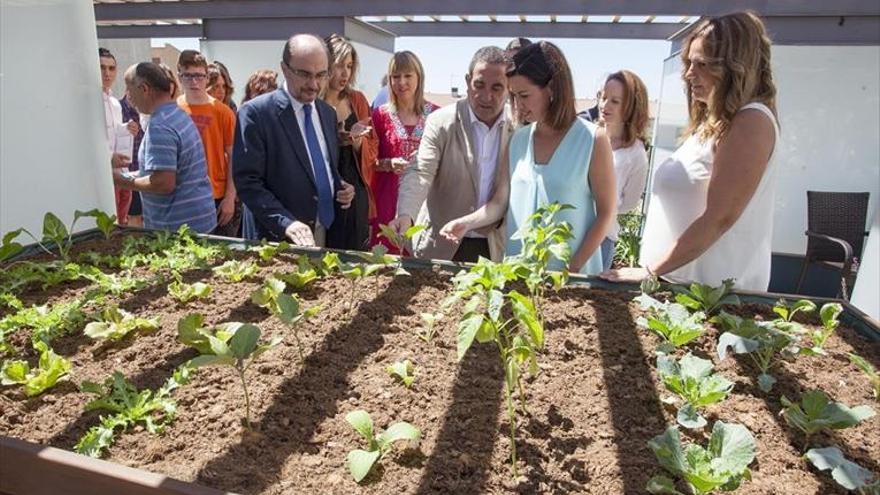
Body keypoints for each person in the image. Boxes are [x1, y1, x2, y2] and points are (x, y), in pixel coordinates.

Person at [601, 11, 780, 291]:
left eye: (702, 64)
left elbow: (720, 217)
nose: (688, 74)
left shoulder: (752, 121)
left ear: (734, 66)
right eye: (689, 63)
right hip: (682, 288)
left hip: (709, 298)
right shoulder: (716, 122)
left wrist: (650, 270)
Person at [440, 41, 616, 275]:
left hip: (572, 278)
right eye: (513, 95)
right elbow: (499, 202)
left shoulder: (593, 139)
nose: (517, 105)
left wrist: (571, 269)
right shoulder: (518, 140)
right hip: (520, 274)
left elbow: (606, 213)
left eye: (524, 95)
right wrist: (468, 222)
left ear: (552, 87)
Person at [389, 46, 512, 262]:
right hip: (442, 245)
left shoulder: (519, 128)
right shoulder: (442, 121)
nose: (486, 96)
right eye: (479, 85)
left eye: (497, 88)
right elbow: (420, 170)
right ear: (467, 81)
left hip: (495, 248)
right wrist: (406, 214)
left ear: (510, 87)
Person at [233, 34, 355, 246]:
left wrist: (339, 186)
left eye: (321, 75)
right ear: (284, 69)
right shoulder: (256, 114)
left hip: (322, 230)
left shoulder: (327, 113)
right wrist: (286, 223)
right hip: (275, 238)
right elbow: (248, 183)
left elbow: (322, 164)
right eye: (305, 74)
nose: (314, 84)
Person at [112, 63, 217, 233]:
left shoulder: (160, 125)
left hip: (179, 230)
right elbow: (159, 172)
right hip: (197, 221)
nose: (128, 96)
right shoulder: (176, 114)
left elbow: (163, 183)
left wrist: (120, 181)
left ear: (144, 89)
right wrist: (125, 175)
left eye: (129, 89)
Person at [370, 51, 438, 253]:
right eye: (396, 76)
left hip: (425, 203)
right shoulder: (379, 115)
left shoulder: (437, 116)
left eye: (408, 75)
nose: (402, 82)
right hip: (387, 202)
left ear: (419, 77)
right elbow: (367, 162)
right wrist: (388, 163)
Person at [321, 34, 378, 251]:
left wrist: (355, 140)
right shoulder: (313, 101)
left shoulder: (357, 99)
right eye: (339, 65)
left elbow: (373, 149)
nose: (345, 73)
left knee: (352, 253)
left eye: (349, 66)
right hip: (323, 183)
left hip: (354, 185)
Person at [176, 50, 240, 237]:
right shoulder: (174, 110)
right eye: (188, 76)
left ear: (206, 77)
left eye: (198, 76)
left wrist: (230, 197)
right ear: (179, 76)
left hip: (216, 196)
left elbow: (234, 157)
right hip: (183, 197)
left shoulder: (223, 112)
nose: (194, 82)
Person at [596, 70, 651, 270]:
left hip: (603, 237)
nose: (605, 105)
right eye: (603, 97)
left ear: (631, 107)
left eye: (615, 101)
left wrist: (607, 205)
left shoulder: (636, 154)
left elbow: (629, 203)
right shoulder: (587, 137)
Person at [238, 69, 279, 241]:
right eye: (262, 92)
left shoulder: (280, 116)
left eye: (272, 91)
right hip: (257, 198)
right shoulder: (247, 116)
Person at [99, 47, 138, 225]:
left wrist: (127, 129)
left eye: (111, 68)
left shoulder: (115, 103)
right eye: (102, 67)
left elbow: (112, 133)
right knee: (109, 224)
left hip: (121, 171)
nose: (107, 73)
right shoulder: (87, 100)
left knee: (122, 221)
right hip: (101, 176)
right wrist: (108, 159)